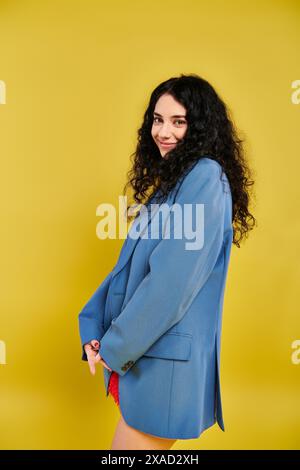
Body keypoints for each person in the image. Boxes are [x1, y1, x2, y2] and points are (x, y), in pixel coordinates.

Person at [79, 74, 256, 450]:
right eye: (158, 120)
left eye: (179, 121)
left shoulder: (205, 177)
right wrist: (93, 325)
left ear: (201, 128)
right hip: (147, 361)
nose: (164, 131)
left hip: (163, 370)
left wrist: (113, 349)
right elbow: (127, 270)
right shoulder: (173, 183)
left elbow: (169, 286)